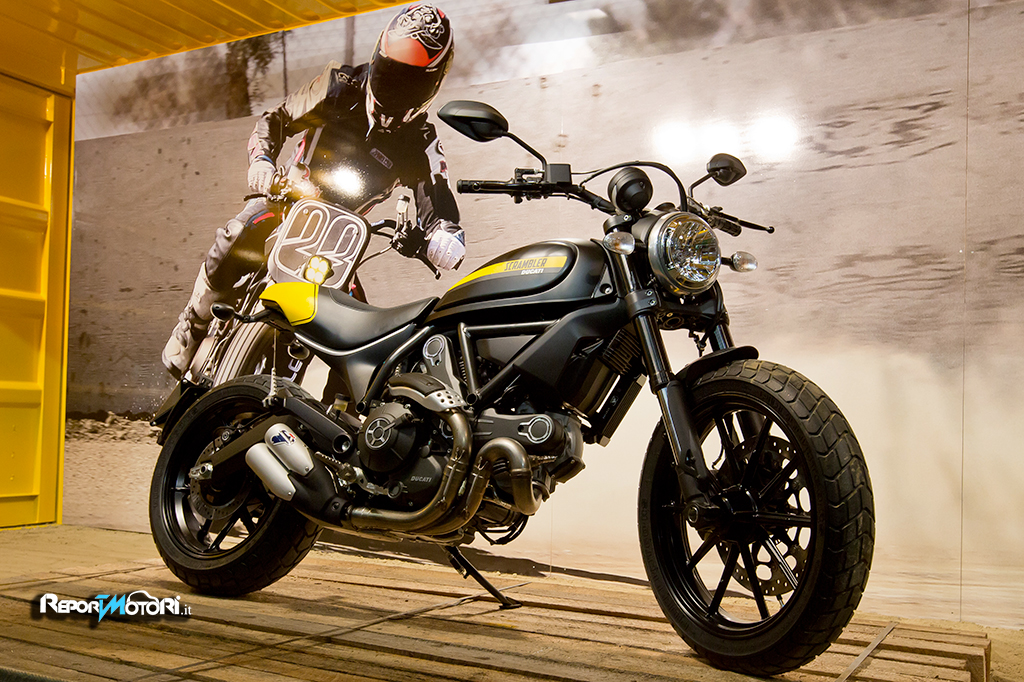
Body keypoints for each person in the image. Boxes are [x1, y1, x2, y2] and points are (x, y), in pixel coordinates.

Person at [162, 3, 463, 379]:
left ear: (433, 84)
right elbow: (276, 118)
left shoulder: (420, 141)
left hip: (342, 244)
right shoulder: (339, 85)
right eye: (390, 72)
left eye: (410, 81)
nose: (395, 88)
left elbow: (437, 196)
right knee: (237, 233)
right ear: (377, 56)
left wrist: (444, 234)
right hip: (287, 201)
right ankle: (193, 322)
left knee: (360, 341)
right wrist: (262, 162)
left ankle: (338, 410)